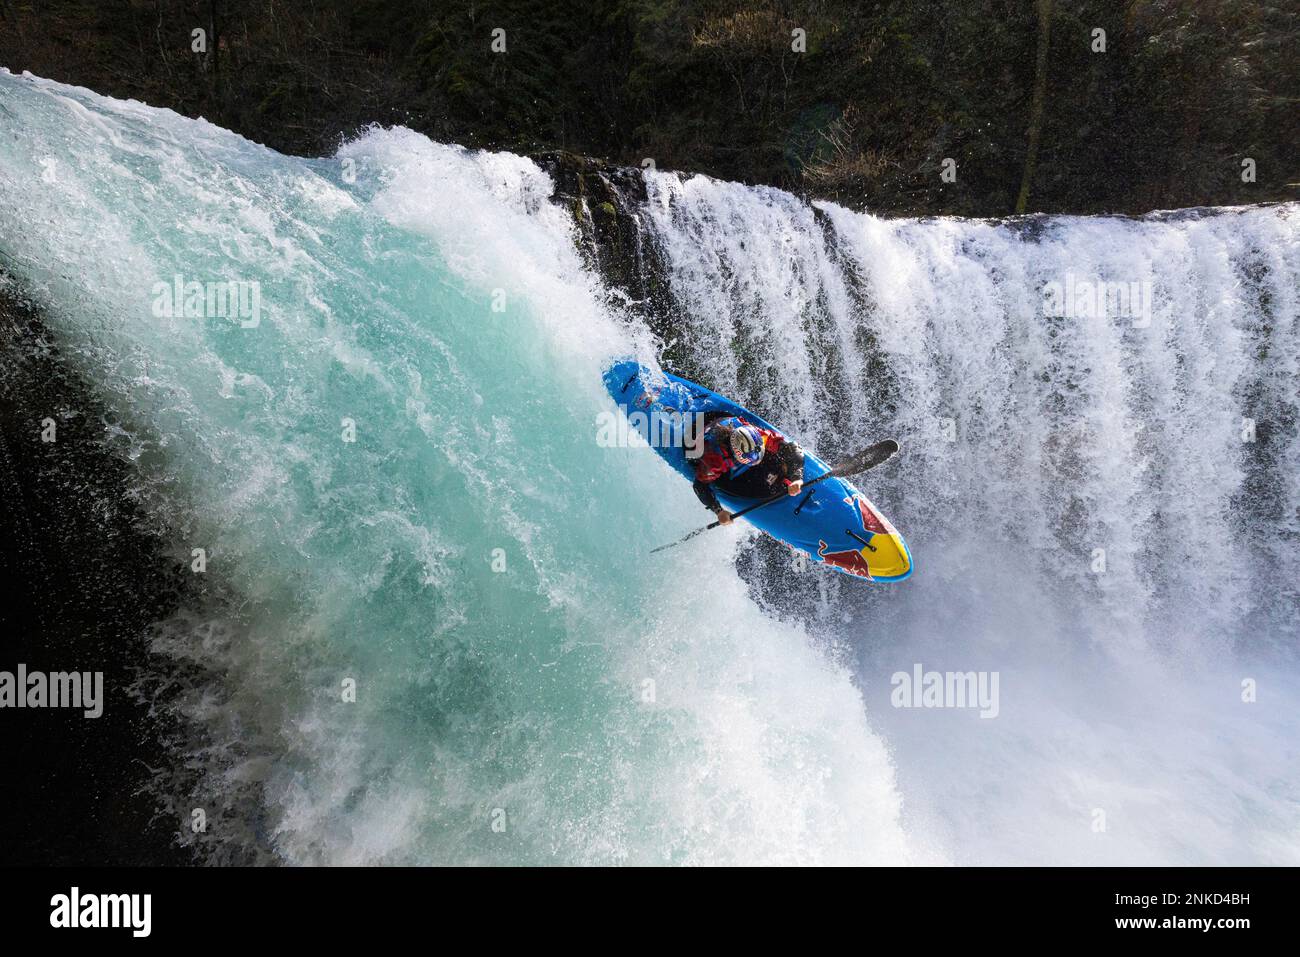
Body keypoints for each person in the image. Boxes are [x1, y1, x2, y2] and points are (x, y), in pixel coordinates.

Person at [690, 412, 804, 525]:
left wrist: (797, 478)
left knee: (779, 453)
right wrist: (718, 511)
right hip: (703, 441)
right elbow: (700, 485)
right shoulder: (716, 461)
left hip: (722, 422)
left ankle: (783, 475)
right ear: (736, 454)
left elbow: (791, 448)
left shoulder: (757, 434)